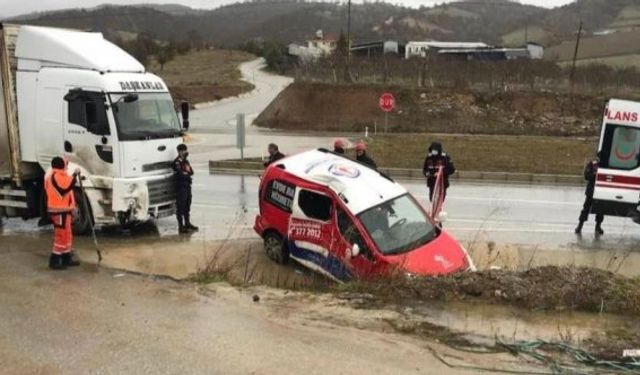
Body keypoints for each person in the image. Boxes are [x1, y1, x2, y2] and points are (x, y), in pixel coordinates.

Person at [45, 157, 81, 270]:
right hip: (58, 210)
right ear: (61, 165)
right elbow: (64, 189)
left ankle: (66, 257)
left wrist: (72, 207)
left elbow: (67, 186)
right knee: (61, 235)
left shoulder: (60, 175)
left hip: (64, 210)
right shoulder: (54, 176)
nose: (67, 165)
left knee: (67, 234)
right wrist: (75, 176)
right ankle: (55, 260)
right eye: (66, 164)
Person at [575, 154, 604, 236]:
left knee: (601, 210)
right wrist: (596, 175)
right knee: (586, 209)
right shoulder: (592, 164)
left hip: (602, 190)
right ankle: (580, 226)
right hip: (591, 190)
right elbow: (587, 176)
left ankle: (598, 227)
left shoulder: (605, 165)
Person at [173, 144, 198, 234]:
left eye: (186, 150)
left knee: (187, 205)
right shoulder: (177, 162)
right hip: (181, 187)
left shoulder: (186, 161)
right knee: (181, 207)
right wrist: (185, 173)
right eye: (184, 150)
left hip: (187, 186)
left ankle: (187, 223)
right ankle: (181, 226)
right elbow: (180, 174)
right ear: (180, 151)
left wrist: (185, 173)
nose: (186, 152)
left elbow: (191, 172)